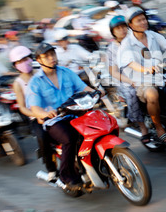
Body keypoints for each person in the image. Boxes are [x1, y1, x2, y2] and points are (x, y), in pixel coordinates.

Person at [26, 42, 96, 190]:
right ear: (39, 60)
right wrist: (45, 113)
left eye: (53, 54)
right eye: (47, 56)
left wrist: (95, 92)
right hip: (55, 121)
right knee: (69, 138)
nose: (52, 58)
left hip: (77, 113)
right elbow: (34, 107)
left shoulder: (66, 72)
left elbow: (83, 87)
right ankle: (67, 176)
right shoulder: (35, 82)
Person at [118, 7, 166, 144]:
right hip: (143, 81)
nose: (143, 22)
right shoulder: (127, 44)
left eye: (144, 19)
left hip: (162, 74)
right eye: (139, 20)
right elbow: (130, 63)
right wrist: (145, 68)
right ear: (130, 25)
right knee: (152, 94)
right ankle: (159, 128)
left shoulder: (152, 35)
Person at [9, 46, 57, 181]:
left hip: (55, 110)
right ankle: (51, 169)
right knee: (43, 137)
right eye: (20, 61)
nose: (24, 63)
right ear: (15, 65)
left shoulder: (42, 72)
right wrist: (38, 115)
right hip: (37, 117)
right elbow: (22, 107)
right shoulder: (18, 83)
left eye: (26, 59)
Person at [107, 15, 149, 143]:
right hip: (124, 79)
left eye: (124, 27)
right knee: (132, 93)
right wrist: (130, 81)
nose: (122, 30)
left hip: (143, 72)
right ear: (113, 32)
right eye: (118, 28)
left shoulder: (135, 40)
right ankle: (143, 128)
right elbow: (114, 72)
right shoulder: (112, 49)